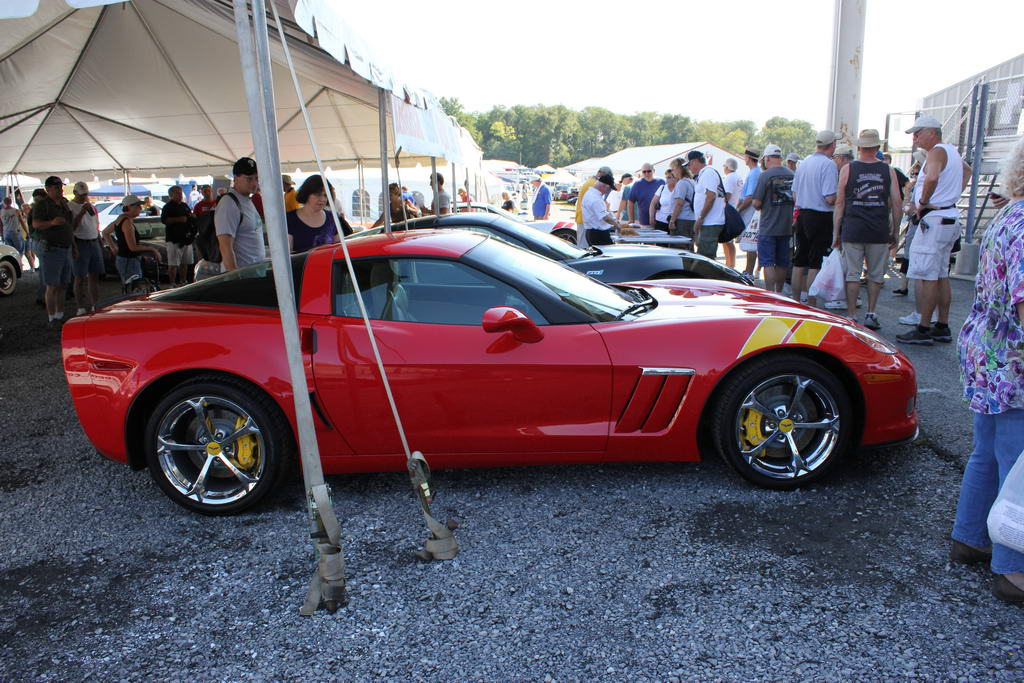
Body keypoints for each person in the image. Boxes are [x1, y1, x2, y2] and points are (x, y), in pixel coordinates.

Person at [950, 136, 1024, 605]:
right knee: (1016, 464)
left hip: (987, 350)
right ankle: (1013, 568)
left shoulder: (1009, 215)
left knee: (989, 452)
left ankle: (970, 537)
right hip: (1014, 358)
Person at [896, 115, 972, 345]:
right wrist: (951, 196)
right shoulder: (951, 152)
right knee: (940, 274)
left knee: (928, 276)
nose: (915, 138)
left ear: (932, 132)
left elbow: (932, 177)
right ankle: (942, 325)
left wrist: (922, 204)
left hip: (934, 219)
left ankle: (924, 327)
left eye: (918, 133)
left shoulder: (937, 151)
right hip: (947, 216)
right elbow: (966, 171)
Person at [831, 130, 903, 328]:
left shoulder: (848, 169)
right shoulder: (888, 170)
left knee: (852, 274)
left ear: (859, 147)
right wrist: (896, 231)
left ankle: (852, 314)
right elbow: (897, 203)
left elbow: (839, 203)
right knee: (875, 274)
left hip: (853, 227)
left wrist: (836, 232)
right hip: (878, 229)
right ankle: (871, 313)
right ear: (878, 148)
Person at [791, 130, 840, 305]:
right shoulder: (828, 165)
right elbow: (829, 198)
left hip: (803, 214)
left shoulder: (804, 163)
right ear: (832, 145)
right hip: (820, 215)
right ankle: (811, 303)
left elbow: (795, 195)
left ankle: (796, 301)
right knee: (815, 262)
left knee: (799, 260)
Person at [752, 145, 795, 293]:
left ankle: (770, 294)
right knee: (782, 262)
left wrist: (757, 204)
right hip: (786, 226)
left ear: (767, 158)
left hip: (768, 225)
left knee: (768, 262)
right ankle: (779, 292)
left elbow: (757, 202)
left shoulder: (765, 175)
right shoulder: (791, 174)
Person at [32, 176, 75, 325]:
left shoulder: (63, 203)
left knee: (63, 284)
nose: (60, 190)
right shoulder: (43, 204)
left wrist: (73, 246)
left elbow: (69, 227)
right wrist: (52, 222)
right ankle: (51, 316)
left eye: (60, 187)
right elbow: (36, 223)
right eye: (57, 188)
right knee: (52, 284)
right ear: (48, 189)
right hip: (51, 248)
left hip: (65, 247)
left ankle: (60, 314)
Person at [215, 157, 265, 272]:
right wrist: (235, 278)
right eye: (249, 178)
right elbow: (225, 246)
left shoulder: (246, 200)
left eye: (256, 178)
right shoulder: (229, 203)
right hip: (242, 278)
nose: (254, 183)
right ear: (236, 178)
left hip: (254, 273)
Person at [101, 195, 161, 288]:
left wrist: (113, 247)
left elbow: (105, 232)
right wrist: (152, 249)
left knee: (130, 287)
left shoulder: (121, 218)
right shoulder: (126, 222)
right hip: (128, 260)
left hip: (125, 259)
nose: (140, 208)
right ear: (129, 207)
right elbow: (132, 247)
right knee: (134, 289)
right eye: (137, 206)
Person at [287, 174, 351, 252]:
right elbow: (288, 254)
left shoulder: (332, 218)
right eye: (318, 194)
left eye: (325, 195)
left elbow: (339, 249)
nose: (322, 199)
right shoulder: (290, 219)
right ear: (307, 194)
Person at [68, 182, 103, 314]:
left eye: (86, 194)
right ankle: (80, 307)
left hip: (93, 241)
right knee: (79, 276)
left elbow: (96, 225)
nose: (84, 197)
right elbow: (71, 227)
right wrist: (82, 212)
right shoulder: (70, 207)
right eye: (82, 195)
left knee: (94, 276)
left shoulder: (92, 207)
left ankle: (95, 304)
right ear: (75, 193)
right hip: (79, 241)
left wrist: (100, 243)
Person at [685, 151, 726, 259]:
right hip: (708, 222)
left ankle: (709, 276)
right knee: (703, 255)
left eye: (689, 164)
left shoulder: (708, 173)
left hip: (710, 222)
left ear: (695, 162)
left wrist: (701, 217)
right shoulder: (704, 173)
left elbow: (711, 196)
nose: (688, 168)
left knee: (706, 257)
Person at [735, 147, 763, 277]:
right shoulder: (755, 172)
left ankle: (749, 271)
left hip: (750, 211)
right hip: (750, 209)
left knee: (750, 240)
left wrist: (739, 209)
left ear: (748, 157)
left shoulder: (754, 173)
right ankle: (749, 270)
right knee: (749, 241)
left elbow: (750, 196)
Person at [161, 185, 196, 286]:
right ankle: (172, 282)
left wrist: (191, 216)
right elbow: (164, 220)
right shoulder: (167, 206)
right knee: (173, 263)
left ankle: (183, 281)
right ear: (171, 195)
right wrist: (178, 219)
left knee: (184, 262)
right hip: (174, 239)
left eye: (181, 193)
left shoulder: (184, 205)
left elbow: (189, 216)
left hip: (186, 238)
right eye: (178, 193)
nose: (180, 195)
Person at [581, 173, 624, 246]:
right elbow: (605, 217)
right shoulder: (595, 198)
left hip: (591, 232)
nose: (608, 191)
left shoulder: (589, 194)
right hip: (598, 234)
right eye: (609, 189)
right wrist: (617, 225)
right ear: (604, 186)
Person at [667, 159, 696, 251]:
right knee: (689, 247)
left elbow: (679, 203)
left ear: (679, 169)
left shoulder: (682, 183)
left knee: (679, 249)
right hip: (691, 219)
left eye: (673, 169)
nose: (672, 172)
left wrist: (672, 220)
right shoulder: (692, 181)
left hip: (682, 221)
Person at [721, 158, 744, 268]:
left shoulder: (729, 178)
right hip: (734, 208)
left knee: (727, 240)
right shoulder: (737, 176)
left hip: (728, 210)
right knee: (728, 241)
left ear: (727, 167)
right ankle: (730, 263)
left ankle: (730, 264)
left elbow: (727, 195)